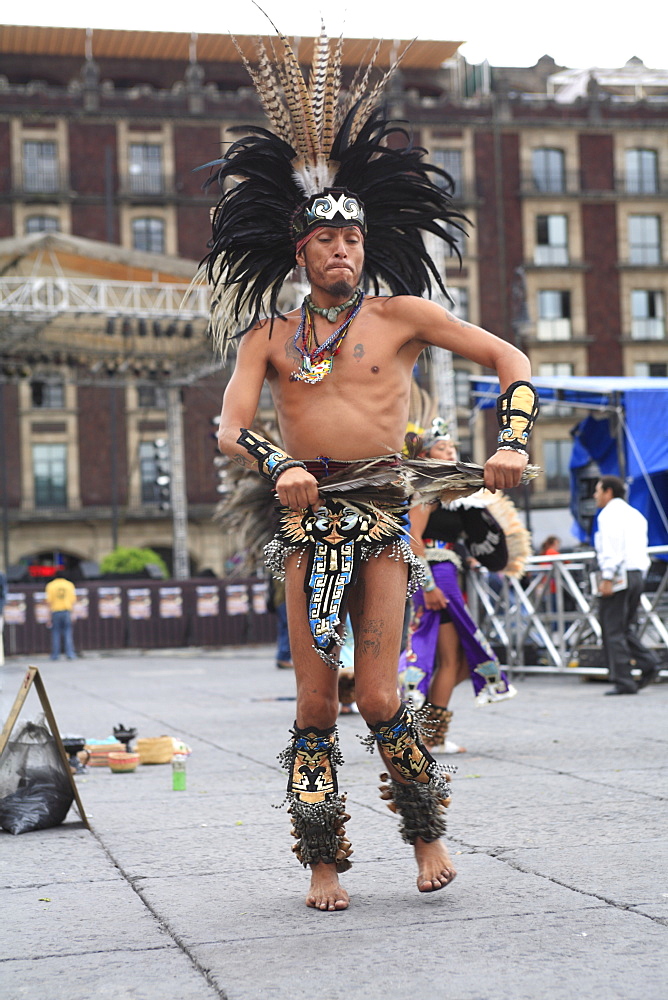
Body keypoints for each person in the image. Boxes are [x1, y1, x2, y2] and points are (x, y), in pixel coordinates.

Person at [208, 27, 539, 911]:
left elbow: (513, 360)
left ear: (366, 244)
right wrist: (280, 464)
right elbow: (230, 426)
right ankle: (323, 861)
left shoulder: (401, 316)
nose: (342, 250)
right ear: (299, 251)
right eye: (324, 239)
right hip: (306, 521)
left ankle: (427, 834)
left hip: (385, 517)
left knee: (383, 693)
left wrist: (511, 441)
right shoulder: (269, 337)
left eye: (351, 236)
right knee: (318, 706)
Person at [398, 423, 526, 754]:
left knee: (455, 659)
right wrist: (427, 586)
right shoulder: (425, 492)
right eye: (443, 448)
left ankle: (425, 730)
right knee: (450, 659)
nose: (451, 452)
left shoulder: (453, 495)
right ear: (426, 455)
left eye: (453, 447)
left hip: (447, 575)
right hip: (435, 577)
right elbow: (413, 542)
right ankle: (428, 734)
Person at [593, 476, 659, 695]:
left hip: (620, 575)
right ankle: (648, 663)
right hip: (637, 573)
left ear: (608, 492)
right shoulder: (635, 514)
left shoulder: (608, 515)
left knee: (612, 629)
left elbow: (612, 550)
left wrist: (607, 577)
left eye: (598, 491)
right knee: (625, 627)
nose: (595, 496)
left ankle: (624, 680)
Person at [44, 570, 77, 661]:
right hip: (67, 611)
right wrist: (73, 614)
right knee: (68, 633)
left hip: (55, 611)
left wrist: (48, 617)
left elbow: (48, 602)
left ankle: (55, 655)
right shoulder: (69, 585)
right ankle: (70, 654)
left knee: (55, 633)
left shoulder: (50, 585)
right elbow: (73, 600)